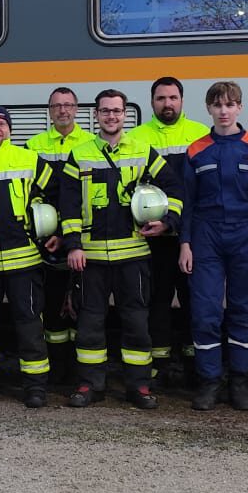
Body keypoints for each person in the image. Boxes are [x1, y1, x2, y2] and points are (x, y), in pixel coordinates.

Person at [0, 105, 80, 408]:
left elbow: (60, 193)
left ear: (10, 130)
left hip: (25, 262)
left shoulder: (29, 159)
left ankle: (35, 387)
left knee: (30, 324)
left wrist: (58, 232)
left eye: (1, 124)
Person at [179, 81, 248, 412]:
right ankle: (209, 382)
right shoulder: (196, 150)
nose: (224, 111)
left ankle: (240, 381)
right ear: (209, 109)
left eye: (230, 105)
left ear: (240, 108)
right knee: (205, 311)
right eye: (217, 105)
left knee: (244, 309)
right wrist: (185, 243)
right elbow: (187, 201)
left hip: (246, 235)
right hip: (206, 236)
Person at [67, 89, 177, 410]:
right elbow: (70, 204)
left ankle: (139, 386)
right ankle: (90, 384)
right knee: (89, 325)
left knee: (137, 324)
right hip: (91, 259)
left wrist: (167, 222)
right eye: (105, 111)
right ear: (96, 115)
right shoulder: (80, 154)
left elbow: (174, 187)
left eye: (117, 111)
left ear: (125, 114)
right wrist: (73, 246)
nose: (111, 116)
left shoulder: (144, 152)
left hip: (134, 258)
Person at [133, 76, 204, 386]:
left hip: (193, 235)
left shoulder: (201, 134)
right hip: (154, 237)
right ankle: (159, 366)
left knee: (195, 301)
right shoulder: (137, 138)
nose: (167, 104)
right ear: (152, 102)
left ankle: (194, 365)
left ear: (182, 101)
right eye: (161, 98)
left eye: (173, 98)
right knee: (157, 302)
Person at [26, 86, 97, 386]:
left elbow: (86, 198)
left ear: (77, 109)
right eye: (57, 106)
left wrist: (69, 236)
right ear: (49, 111)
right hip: (49, 239)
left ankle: (81, 371)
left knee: (84, 307)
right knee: (54, 307)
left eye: (68, 105)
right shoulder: (33, 145)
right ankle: (58, 370)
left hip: (82, 240)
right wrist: (50, 231)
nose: (63, 111)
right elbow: (30, 193)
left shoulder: (92, 144)